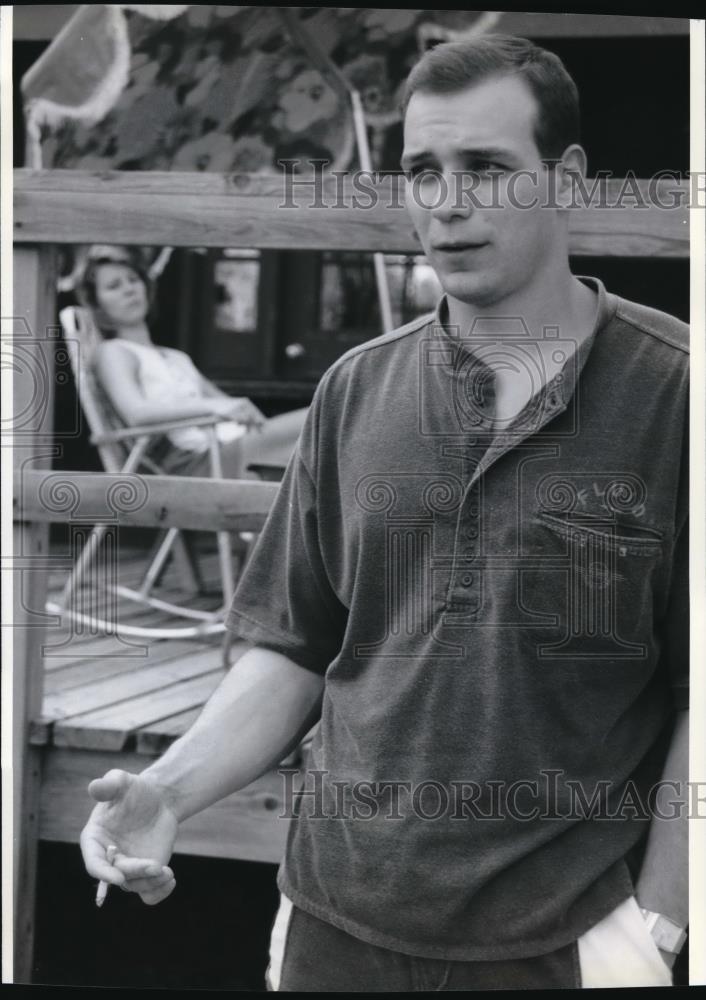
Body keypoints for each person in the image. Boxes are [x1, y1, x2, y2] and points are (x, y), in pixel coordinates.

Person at [79, 35, 689, 990]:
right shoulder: (353, 391)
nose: (445, 203)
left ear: (564, 179)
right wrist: (168, 788)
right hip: (331, 926)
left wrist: (659, 925)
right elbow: (291, 645)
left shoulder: (677, 396)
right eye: (421, 171)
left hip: (564, 940)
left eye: (485, 169)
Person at [78, 247, 308, 480]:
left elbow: (230, 405)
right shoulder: (114, 352)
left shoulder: (176, 357)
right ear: (97, 306)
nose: (129, 289)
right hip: (198, 462)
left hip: (231, 446)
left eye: (133, 280)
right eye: (114, 286)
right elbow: (135, 413)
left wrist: (235, 410)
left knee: (324, 432)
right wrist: (212, 408)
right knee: (326, 416)